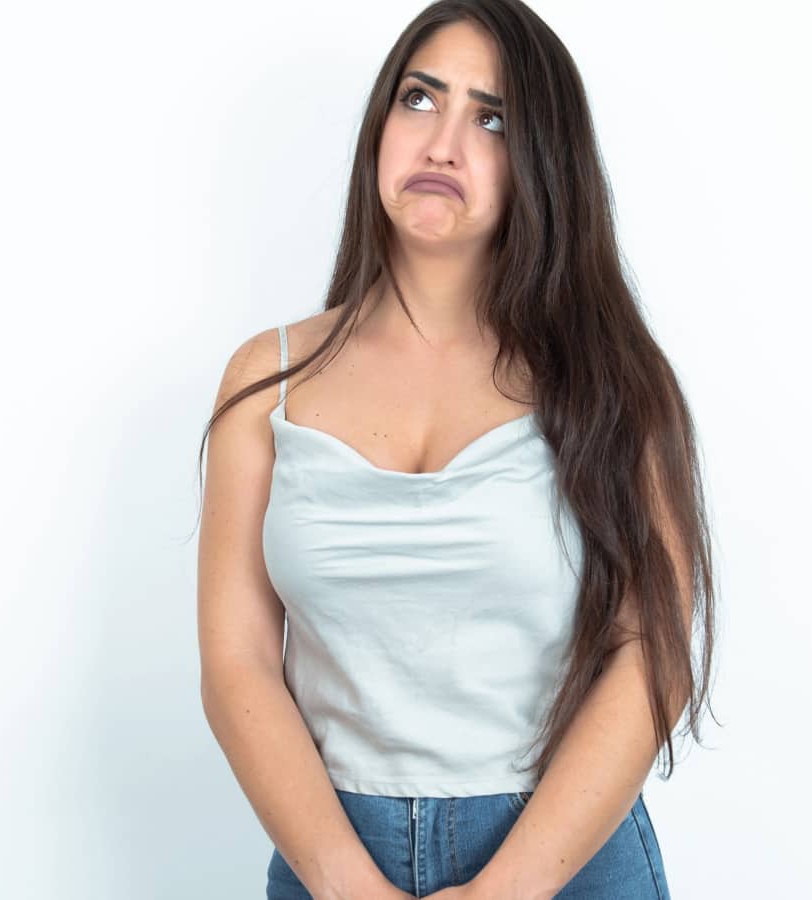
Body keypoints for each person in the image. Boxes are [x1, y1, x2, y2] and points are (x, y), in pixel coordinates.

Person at [196, 1, 717, 896]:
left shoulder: (612, 384)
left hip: (564, 852)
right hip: (332, 852)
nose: (442, 144)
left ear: (542, 163)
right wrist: (341, 879)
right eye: (420, 99)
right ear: (379, 128)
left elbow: (654, 653)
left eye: (493, 118)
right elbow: (236, 656)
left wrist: (505, 889)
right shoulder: (267, 379)